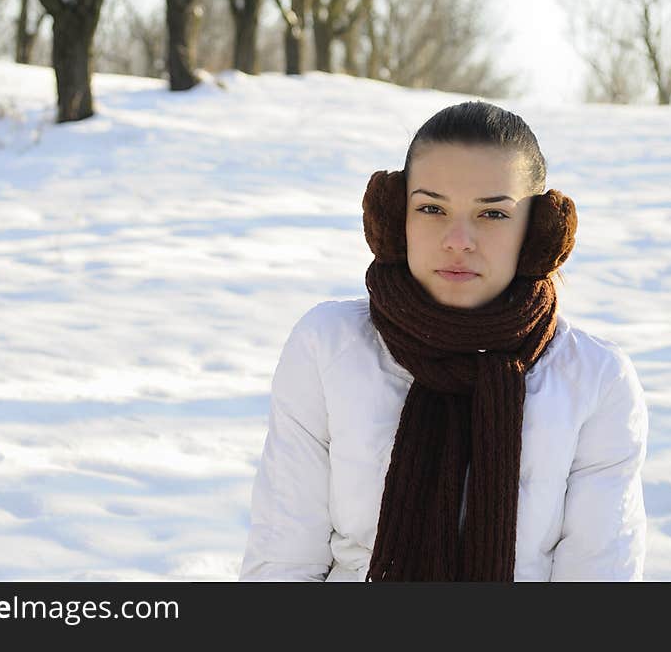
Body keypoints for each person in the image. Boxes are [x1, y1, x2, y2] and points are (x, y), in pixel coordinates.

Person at [238, 101, 648, 582]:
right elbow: (282, 565)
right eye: (431, 208)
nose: (458, 239)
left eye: (493, 214)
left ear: (538, 233)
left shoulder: (595, 379)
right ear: (395, 219)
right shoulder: (328, 347)